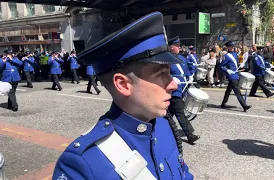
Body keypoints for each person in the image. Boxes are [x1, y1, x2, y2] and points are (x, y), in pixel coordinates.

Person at [53, 12, 194, 179]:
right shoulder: (81, 164)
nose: (173, 84)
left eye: (170, 73)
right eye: (161, 74)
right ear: (123, 85)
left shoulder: (164, 124)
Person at [168, 36, 200, 145]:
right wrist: (171, 79)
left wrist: (190, 76)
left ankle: (160, 129)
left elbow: (186, 69)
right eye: (176, 46)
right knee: (180, 113)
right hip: (174, 89)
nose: (179, 47)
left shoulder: (182, 58)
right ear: (171, 47)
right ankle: (190, 135)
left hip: (182, 88)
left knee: (168, 115)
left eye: (179, 45)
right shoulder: (166, 59)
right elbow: (163, 74)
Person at [220, 41, 252, 112]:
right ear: (227, 47)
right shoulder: (226, 56)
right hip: (231, 75)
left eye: (233, 46)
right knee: (237, 91)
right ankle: (244, 105)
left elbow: (236, 65)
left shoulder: (235, 55)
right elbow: (222, 66)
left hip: (235, 74)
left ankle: (223, 103)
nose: (232, 47)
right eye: (231, 46)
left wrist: (241, 65)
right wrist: (227, 70)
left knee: (228, 90)